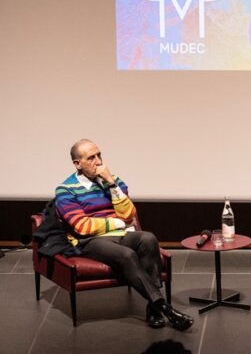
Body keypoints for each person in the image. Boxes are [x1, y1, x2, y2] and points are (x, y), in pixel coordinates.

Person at [54, 140, 193, 330]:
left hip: (120, 235)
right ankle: (165, 309)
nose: (98, 161)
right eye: (91, 158)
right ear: (77, 164)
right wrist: (118, 223)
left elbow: (129, 214)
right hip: (90, 241)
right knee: (127, 255)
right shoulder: (65, 189)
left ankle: (153, 308)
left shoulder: (114, 180)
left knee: (148, 238)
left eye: (99, 155)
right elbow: (82, 226)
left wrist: (111, 183)